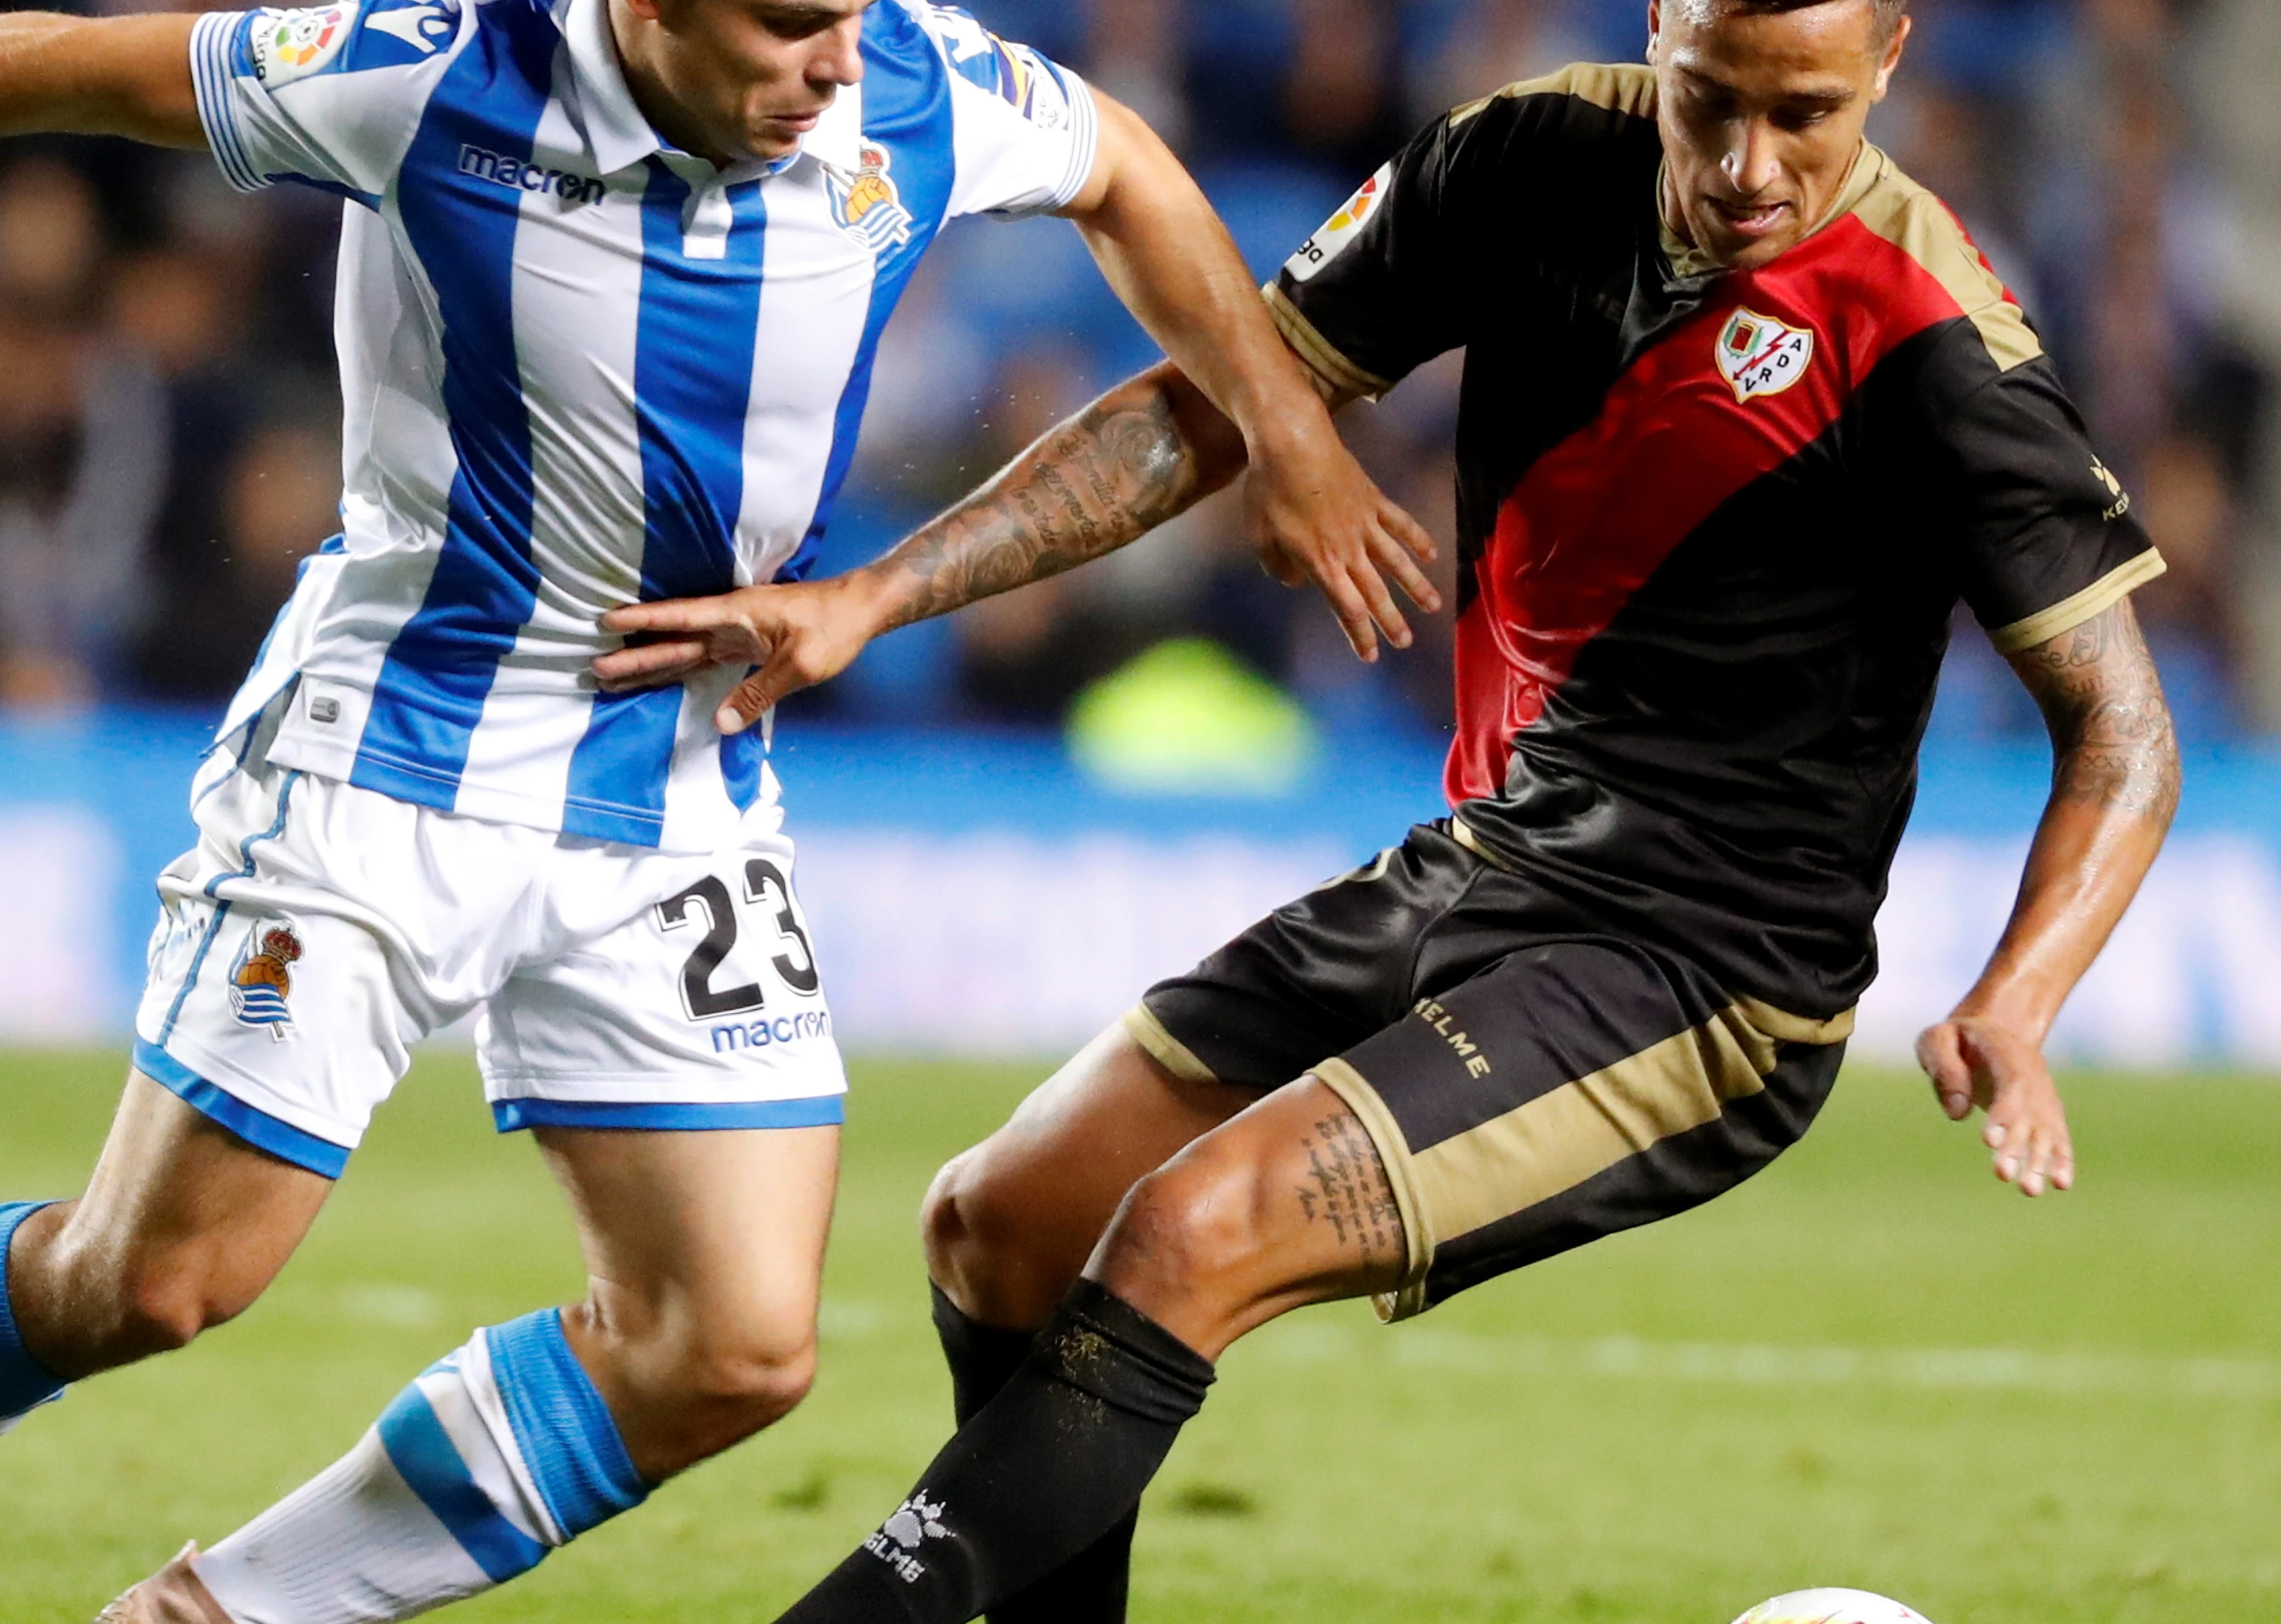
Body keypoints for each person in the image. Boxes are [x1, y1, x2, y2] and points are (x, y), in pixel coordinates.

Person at [0, 2, 1435, 1621]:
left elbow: (1124, 168)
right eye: (786, 29)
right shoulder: (428, 68)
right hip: (395, 751)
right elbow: (82, 66)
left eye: (848, 23)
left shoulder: (910, 85)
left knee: (732, 1343)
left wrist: (1282, 430)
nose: (829, 69)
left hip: (684, 770)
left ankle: (222, 1607)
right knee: (155, 1278)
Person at [595, 1, 2182, 1618]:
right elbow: (1216, 404)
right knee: (1003, 1222)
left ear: (1897, 57)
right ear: (1661, 31)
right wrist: (877, 594)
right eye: (1711, 102)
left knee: (1185, 1232)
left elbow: (2123, 732)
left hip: (1699, 967)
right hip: (1484, 861)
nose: (1747, 165)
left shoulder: (1937, 343)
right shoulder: (1531, 156)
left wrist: (2018, 997)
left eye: (1808, 114)